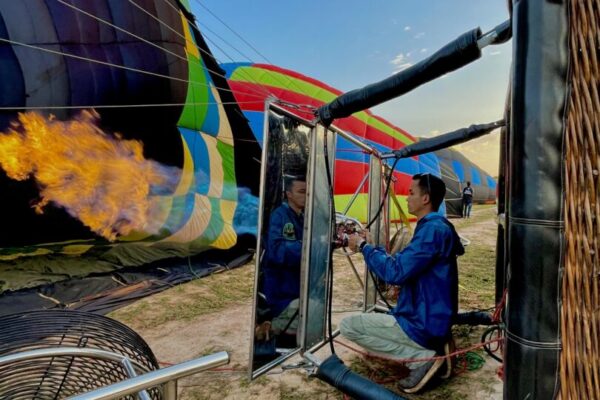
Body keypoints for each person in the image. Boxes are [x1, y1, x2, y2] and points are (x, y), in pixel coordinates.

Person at [341, 173, 464, 393]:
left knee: (348, 326)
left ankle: (423, 358)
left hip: (422, 322)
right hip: (428, 315)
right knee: (381, 318)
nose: (406, 198)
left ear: (425, 199)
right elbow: (403, 264)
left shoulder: (432, 231)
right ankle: (432, 346)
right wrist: (373, 248)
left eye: (410, 193)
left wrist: (362, 246)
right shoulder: (433, 227)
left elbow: (395, 273)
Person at [261, 176, 306, 337]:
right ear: (289, 194)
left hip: (298, 288)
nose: (305, 195)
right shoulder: (279, 216)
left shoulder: (304, 217)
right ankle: (271, 327)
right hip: (282, 291)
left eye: (308, 192)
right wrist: (308, 245)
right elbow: (277, 251)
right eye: (301, 191)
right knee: (307, 317)